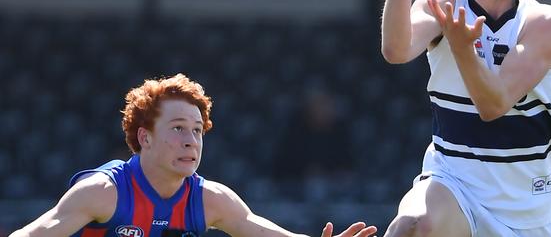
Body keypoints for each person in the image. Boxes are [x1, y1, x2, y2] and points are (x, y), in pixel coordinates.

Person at [380, 0, 551, 237]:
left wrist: (462, 48)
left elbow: (493, 104)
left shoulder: (547, 22)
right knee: (411, 226)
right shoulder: (440, 6)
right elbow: (396, 50)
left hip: (523, 209)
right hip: (455, 183)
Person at [10, 74, 377, 237]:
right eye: (177, 128)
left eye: (198, 131)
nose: (191, 141)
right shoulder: (103, 192)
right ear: (145, 137)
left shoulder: (210, 200)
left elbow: (267, 233)